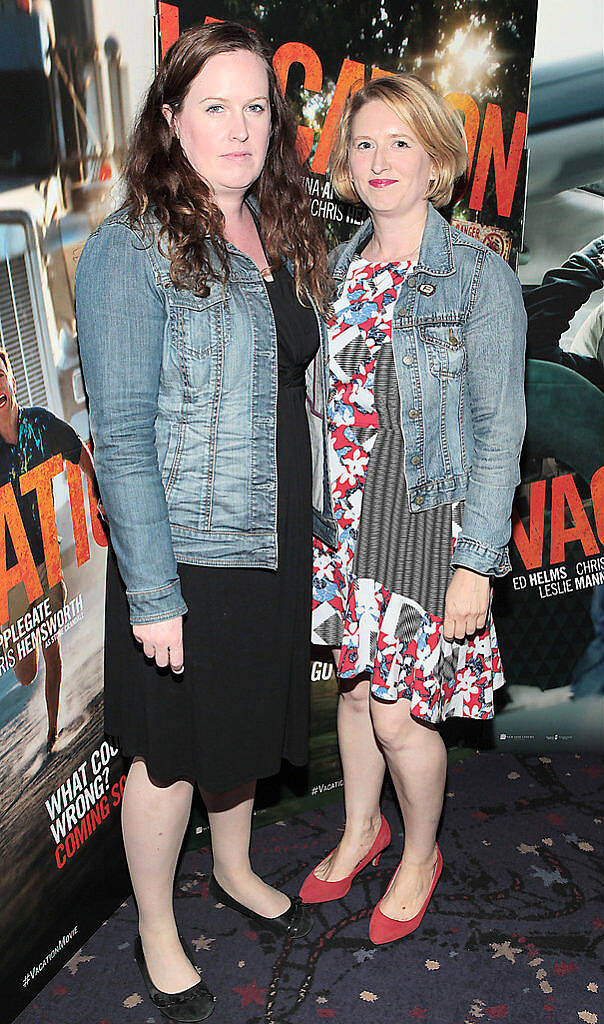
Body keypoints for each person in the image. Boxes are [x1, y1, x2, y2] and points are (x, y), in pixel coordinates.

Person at [75, 22, 334, 1023]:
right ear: (171, 120)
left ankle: (229, 865)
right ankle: (152, 919)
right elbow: (125, 437)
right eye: (213, 105)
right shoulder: (127, 247)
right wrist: (154, 594)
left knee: (238, 732)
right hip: (185, 550)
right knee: (171, 751)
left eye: (255, 106)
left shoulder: (277, 227)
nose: (238, 126)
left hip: (267, 535)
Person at [300, 75, 527, 945]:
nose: (380, 160)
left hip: (426, 532)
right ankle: (363, 829)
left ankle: (420, 851)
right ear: (347, 165)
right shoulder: (333, 271)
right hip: (343, 530)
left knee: (401, 715)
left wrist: (477, 559)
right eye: (364, 144)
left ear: (436, 159)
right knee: (354, 697)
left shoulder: (477, 276)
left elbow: (500, 429)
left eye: (401, 142)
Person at [0, 348, 100, 753]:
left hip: (45, 558)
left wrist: (95, 492)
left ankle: (53, 732)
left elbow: (78, 450)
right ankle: (46, 713)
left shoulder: (39, 424)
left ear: (11, 377)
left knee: (52, 647)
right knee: (25, 672)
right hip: (11, 571)